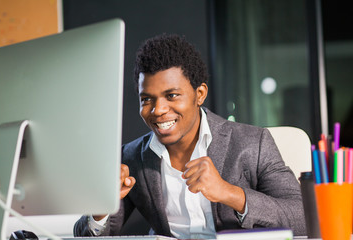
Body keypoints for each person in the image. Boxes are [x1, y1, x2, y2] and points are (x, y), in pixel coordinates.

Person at [74, 34, 306, 238]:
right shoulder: (131, 157)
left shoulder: (254, 143)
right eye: (147, 99)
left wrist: (229, 193)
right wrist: (101, 207)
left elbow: (302, 217)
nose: (158, 110)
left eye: (172, 95)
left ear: (200, 94)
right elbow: (87, 234)